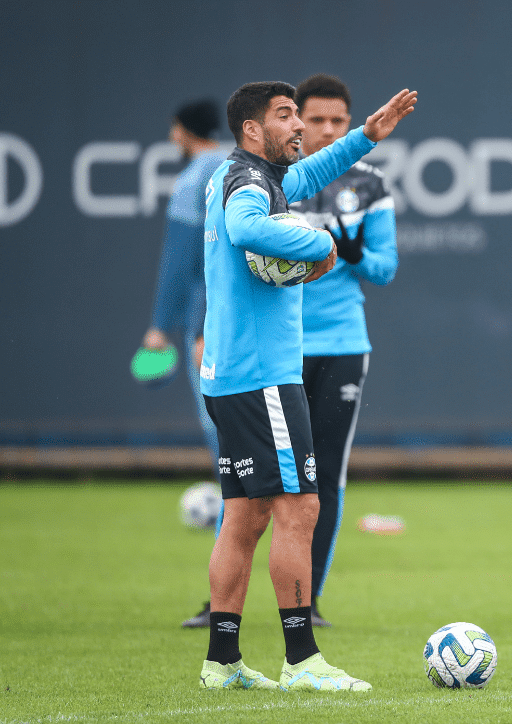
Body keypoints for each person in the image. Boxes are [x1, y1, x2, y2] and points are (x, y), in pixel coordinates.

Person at [197, 80, 415, 691]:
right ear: (251, 128)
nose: (297, 126)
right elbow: (245, 228)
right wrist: (319, 243)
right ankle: (301, 660)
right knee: (300, 507)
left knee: (244, 516)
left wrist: (365, 138)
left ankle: (223, 661)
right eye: (286, 116)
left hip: (233, 372)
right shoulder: (248, 183)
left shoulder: (242, 173)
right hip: (264, 377)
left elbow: (313, 167)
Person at [289, 74, 400, 628]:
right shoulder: (273, 180)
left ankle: (307, 604)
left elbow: (385, 269)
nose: (328, 129)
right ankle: (219, 603)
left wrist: (352, 253)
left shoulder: (370, 184)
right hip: (276, 347)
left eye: (339, 120)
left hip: (342, 345)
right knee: (252, 479)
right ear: (295, 121)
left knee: (324, 476)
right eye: (317, 120)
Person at [138, 99, 225, 480]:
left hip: (208, 322)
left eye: (175, 128)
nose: (172, 136)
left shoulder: (191, 181)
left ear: (185, 131)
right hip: (254, 316)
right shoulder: (239, 165)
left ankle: (233, 513)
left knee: (217, 420)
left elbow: (180, 261)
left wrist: (161, 327)